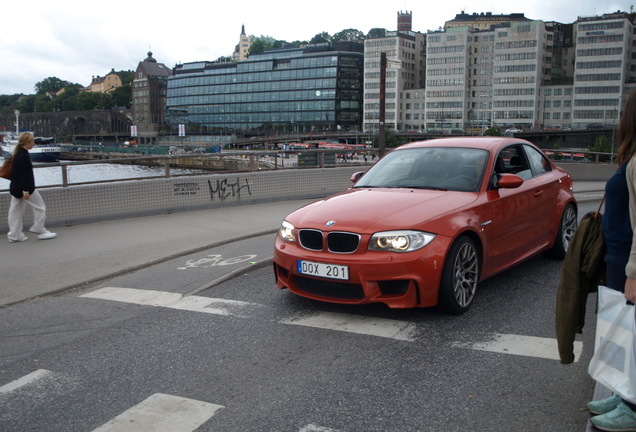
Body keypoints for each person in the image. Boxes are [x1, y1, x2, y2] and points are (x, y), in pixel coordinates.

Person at [587, 88, 636, 431]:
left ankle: (632, 407)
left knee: (633, 332)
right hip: (618, 254)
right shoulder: (632, 156)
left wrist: (634, 271)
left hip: (629, 258)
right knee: (624, 331)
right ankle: (624, 395)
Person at [6, 132, 56, 243]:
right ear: (26, 143)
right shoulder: (24, 156)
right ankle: (39, 229)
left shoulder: (18, 154)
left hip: (15, 188)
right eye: (32, 142)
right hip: (26, 188)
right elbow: (25, 175)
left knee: (15, 212)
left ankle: (14, 235)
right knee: (40, 207)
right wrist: (26, 191)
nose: (33, 144)